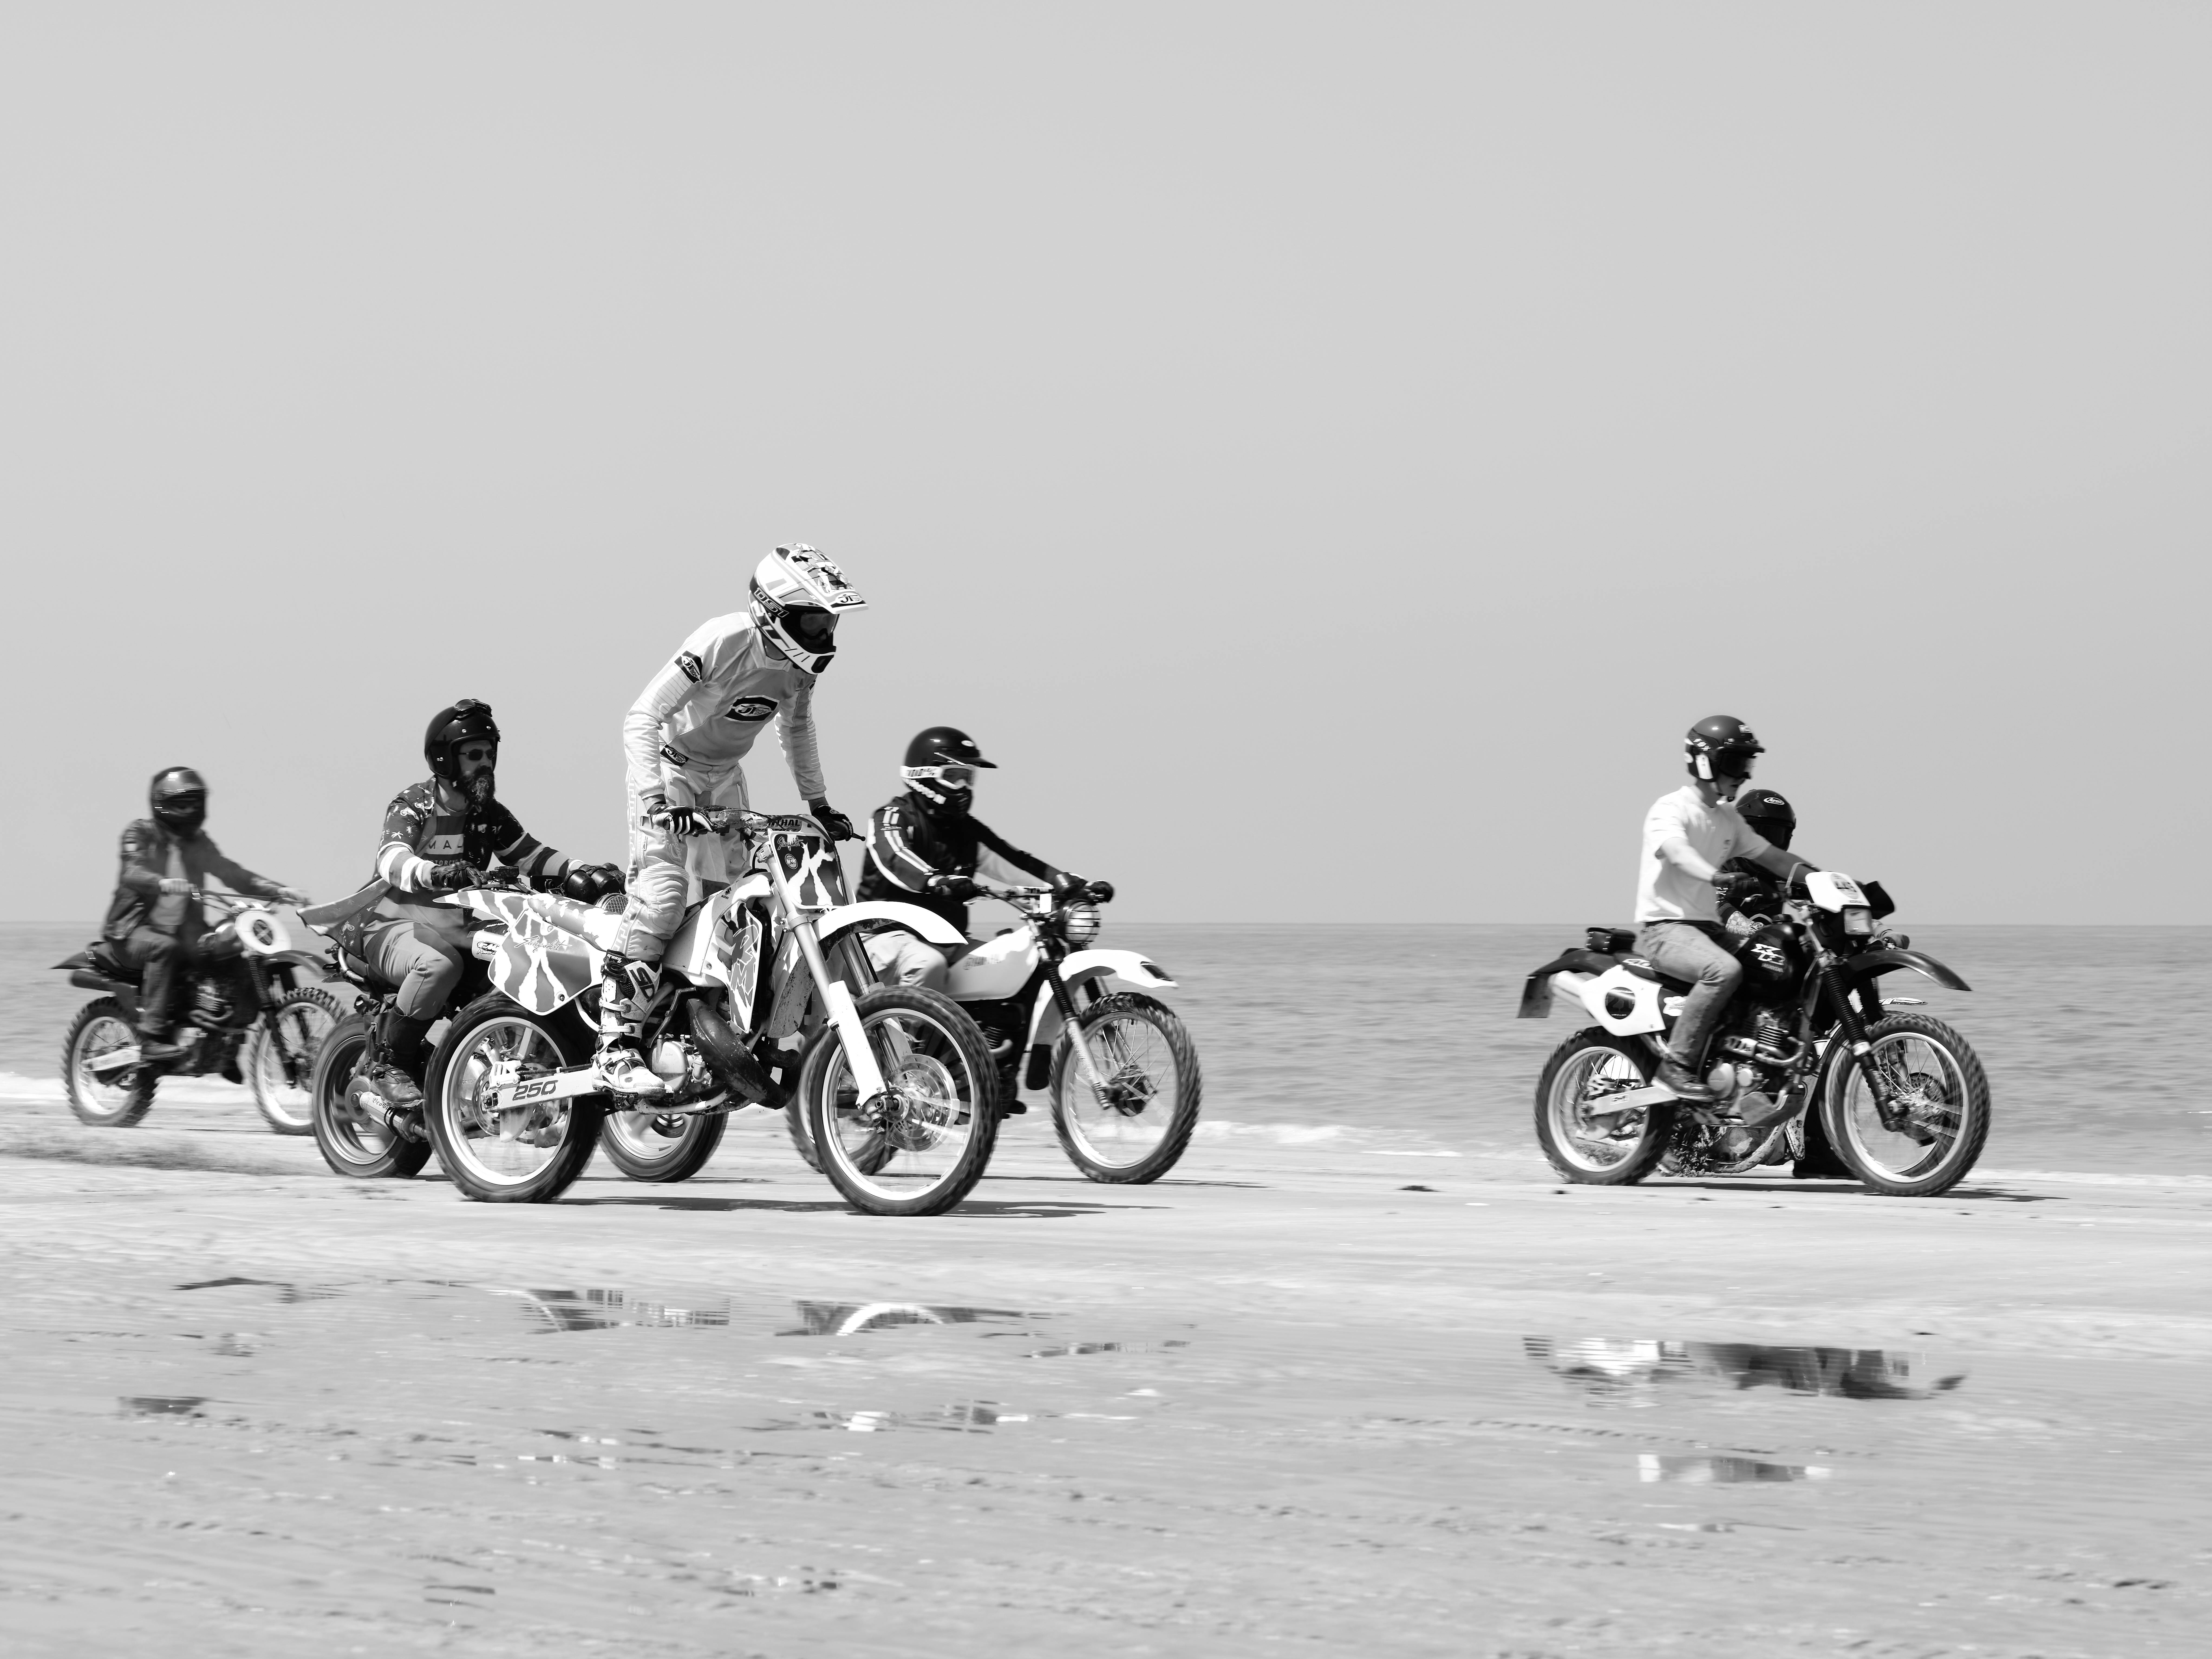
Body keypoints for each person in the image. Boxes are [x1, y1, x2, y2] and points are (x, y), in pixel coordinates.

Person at [599, 545, 865, 1094]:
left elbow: (796, 730)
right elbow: (641, 718)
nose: (825, 635)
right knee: (665, 895)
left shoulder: (797, 669)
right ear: (773, 612)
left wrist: (818, 804)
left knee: (743, 906)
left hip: (724, 778)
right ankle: (615, 1043)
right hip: (670, 776)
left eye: (829, 622)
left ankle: (716, 1029)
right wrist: (654, 799)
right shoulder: (722, 640)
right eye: (814, 621)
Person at [340, 700, 617, 1109]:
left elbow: (533, 855)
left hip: (454, 926)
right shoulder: (413, 803)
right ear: (445, 758)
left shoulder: (488, 815)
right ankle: (389, 1063)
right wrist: (437, 873)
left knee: (524, 959)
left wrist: (586, 872)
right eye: (474, 755)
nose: (485, 763)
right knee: (439, 966)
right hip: (388, 923)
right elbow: (391, 859)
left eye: (490, 754)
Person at [1634, 718, 1823, 1103]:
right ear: (1706, 762)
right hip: (1666, 929)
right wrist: (1716, 877)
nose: (1744, 774)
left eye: (1747, 764)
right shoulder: (1669, 809)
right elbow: (1677, 852)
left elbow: (1771, 856)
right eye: (1736, 762)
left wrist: (1825, 881)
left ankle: (1744, 1066)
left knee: (1777, 968)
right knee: (1725, 970)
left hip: (1704, 931)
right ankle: (1678, 1065)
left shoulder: (1727, 819)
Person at [856, 726, 1093, 993]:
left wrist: (1068, 884)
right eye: (955, 776)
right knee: (927, 964)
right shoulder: (892, 816)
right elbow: (895, 858)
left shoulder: (968, 830)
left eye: (969, 777)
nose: (964, 787)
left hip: (948, 940)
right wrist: (936, 880)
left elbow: (1017, 863)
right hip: (880, 940)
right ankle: (910, 1036)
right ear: (924, 775)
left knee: (1016, 967)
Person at [103, 767, 305, 1066]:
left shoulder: (198, 842)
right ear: (163, 804)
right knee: (165, 948)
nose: (191, 810)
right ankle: (151, 1039)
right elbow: (132, 870)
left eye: (195, 803)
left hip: (186, 933)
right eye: (183, 804)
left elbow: (231, 872)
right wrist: (161, 882)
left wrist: (278, 890)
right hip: (132, 932)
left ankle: (227, 1045)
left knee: (237, 955)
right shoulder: (140, 833)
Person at [1715, 788, 1797, 932]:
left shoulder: (1783, 873)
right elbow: (1715, 905)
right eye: (1757, 836)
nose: (1764, 846)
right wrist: (1752, 930)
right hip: (1716, 946)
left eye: (1776, 837)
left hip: (1765, 949)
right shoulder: (1720, 862)